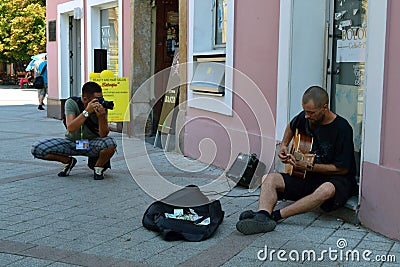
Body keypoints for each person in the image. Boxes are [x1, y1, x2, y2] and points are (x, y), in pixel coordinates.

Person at [236, 86, 357, 235]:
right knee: (269, 178)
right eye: (305, 111)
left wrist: (309, 167)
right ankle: (262, 216)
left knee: (326, 190)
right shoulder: (306, 117)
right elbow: (291, 127)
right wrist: (284, 146)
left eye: (311, 113)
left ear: (324, 108)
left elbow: (342, 168)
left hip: (336, 179)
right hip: (306, 175)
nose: (306, 116)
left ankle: (275, 216)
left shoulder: (342, 128)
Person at [31, 81, 117, 180]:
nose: (99, 102)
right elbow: (71, 128)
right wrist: (87, 112)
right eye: (96, 100)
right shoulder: (72, 103)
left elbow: (103, 135)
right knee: (38, 148)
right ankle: (68, 161)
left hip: (91, 144)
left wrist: (101, 117)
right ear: (85, 99)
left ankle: (98, 168)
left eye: (101, 98)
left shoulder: (102, 108)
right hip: (72, 143)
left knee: (110, 143)